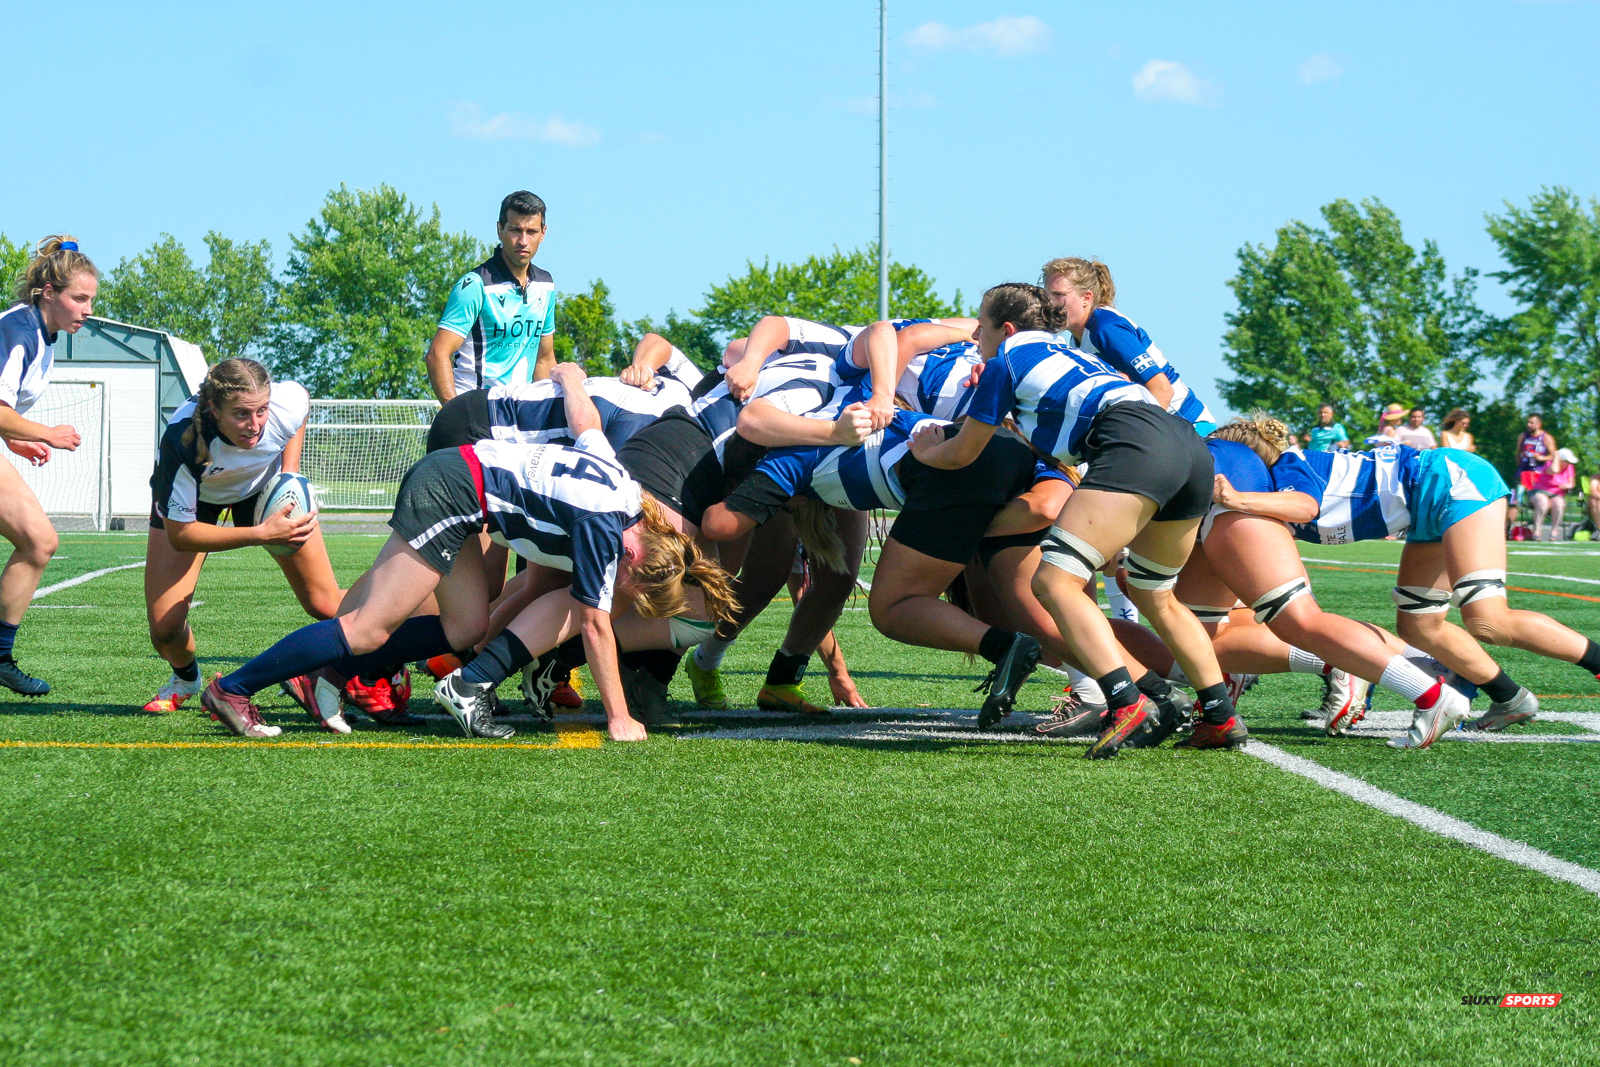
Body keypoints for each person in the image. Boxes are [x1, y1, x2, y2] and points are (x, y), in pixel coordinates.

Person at [203, 384, 733, 741]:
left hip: (461, 485)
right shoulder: (605, 527)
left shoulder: (623, 488)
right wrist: (618, 717)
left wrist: (570, 378)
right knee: (367, 628)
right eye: (632, 583)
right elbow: (594, 625)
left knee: (466, 627)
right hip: (450, 490)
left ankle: (332, 673)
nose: (623, 588)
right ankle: (234, 689)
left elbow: (586, 423)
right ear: (634, 553)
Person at [909, 283, 1238, 757]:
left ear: (1006, 328)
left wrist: (926, 450)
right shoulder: (1072, 355)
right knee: (1155, 594)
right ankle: (1220, 716)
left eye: (981, 326)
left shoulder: (1005, 362)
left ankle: (1125, 701)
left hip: (1134, 444)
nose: (975, 336)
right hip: (1188, 447)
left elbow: (962, 453)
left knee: (1053, 583)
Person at [1261, 442, 1600, 748]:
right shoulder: (1268, 486)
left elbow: (1304, 506)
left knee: (1489, 621)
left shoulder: (1284, 468)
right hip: (1423, 504)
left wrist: (1237, 498)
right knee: (1419, 626)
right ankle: (1510, 698)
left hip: (1449, 481)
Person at [143, 359, 354, 722]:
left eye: (261, 411)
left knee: (326, 604)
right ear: (214, 409)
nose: (255, 425)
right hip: (198, 504)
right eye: (241, 414)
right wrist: (260, 534)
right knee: (165, 629)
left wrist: (290, 474)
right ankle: (186, 678)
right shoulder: (183, 439)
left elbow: (301, 405)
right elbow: (181, 535)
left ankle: (389, 656)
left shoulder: (284, 405)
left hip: (262, 491)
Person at [0, 237, 92, 696]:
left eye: (91, 300)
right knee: (38, 541)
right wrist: (45, 433)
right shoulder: (18, 330)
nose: (88, 310)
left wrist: (14, 438)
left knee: (39, 542)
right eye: (80, 298)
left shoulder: (42, 333)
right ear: (49, 292)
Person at [1041, 257, 1217, 436]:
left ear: (1086, 298)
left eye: (1058, 295)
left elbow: (1163, 389)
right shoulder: (1077, 339)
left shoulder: (1107, 329)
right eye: (1046, 296)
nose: (1049, 304)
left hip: (1191, 429)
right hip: (1170, 430)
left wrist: (1143, 440)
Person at [425, 190, 556, 401]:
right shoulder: (474, 285)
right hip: (476, 409)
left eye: (531, 232)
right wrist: (455, 414)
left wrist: (547, 411)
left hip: (519, 412)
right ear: (500, 229)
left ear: (543, 233)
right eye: (515, 230)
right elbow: (437, 355)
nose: (523, 241)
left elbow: (544, 360)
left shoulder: (545, 285)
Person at [1529, 448, 1578, 542]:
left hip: (1557, 493)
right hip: (1540, 491)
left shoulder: (1569, 467)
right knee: (1543, 503)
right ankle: (1536, 530)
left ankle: (1554, 530)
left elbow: (1572, 483)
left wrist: (1567, 485)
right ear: (1560, 460)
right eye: (1566, 461)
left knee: (1559, 504)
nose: (1568, 464)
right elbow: (1554, 470)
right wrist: (1556, 457)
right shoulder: (1549, 464)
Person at [1516, 414, 1555, 496]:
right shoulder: (1523, 436)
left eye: (1531, 423)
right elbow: (1518, 452)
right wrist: (1519, 465)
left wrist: (1541, 458)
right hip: (1524, 470)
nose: (1528, 425)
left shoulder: (1546, 437)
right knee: (1519, 495)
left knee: (1535, 495)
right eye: (1528, 422)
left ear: (1539, 425)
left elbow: (1554, 456)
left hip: (1539, 471)